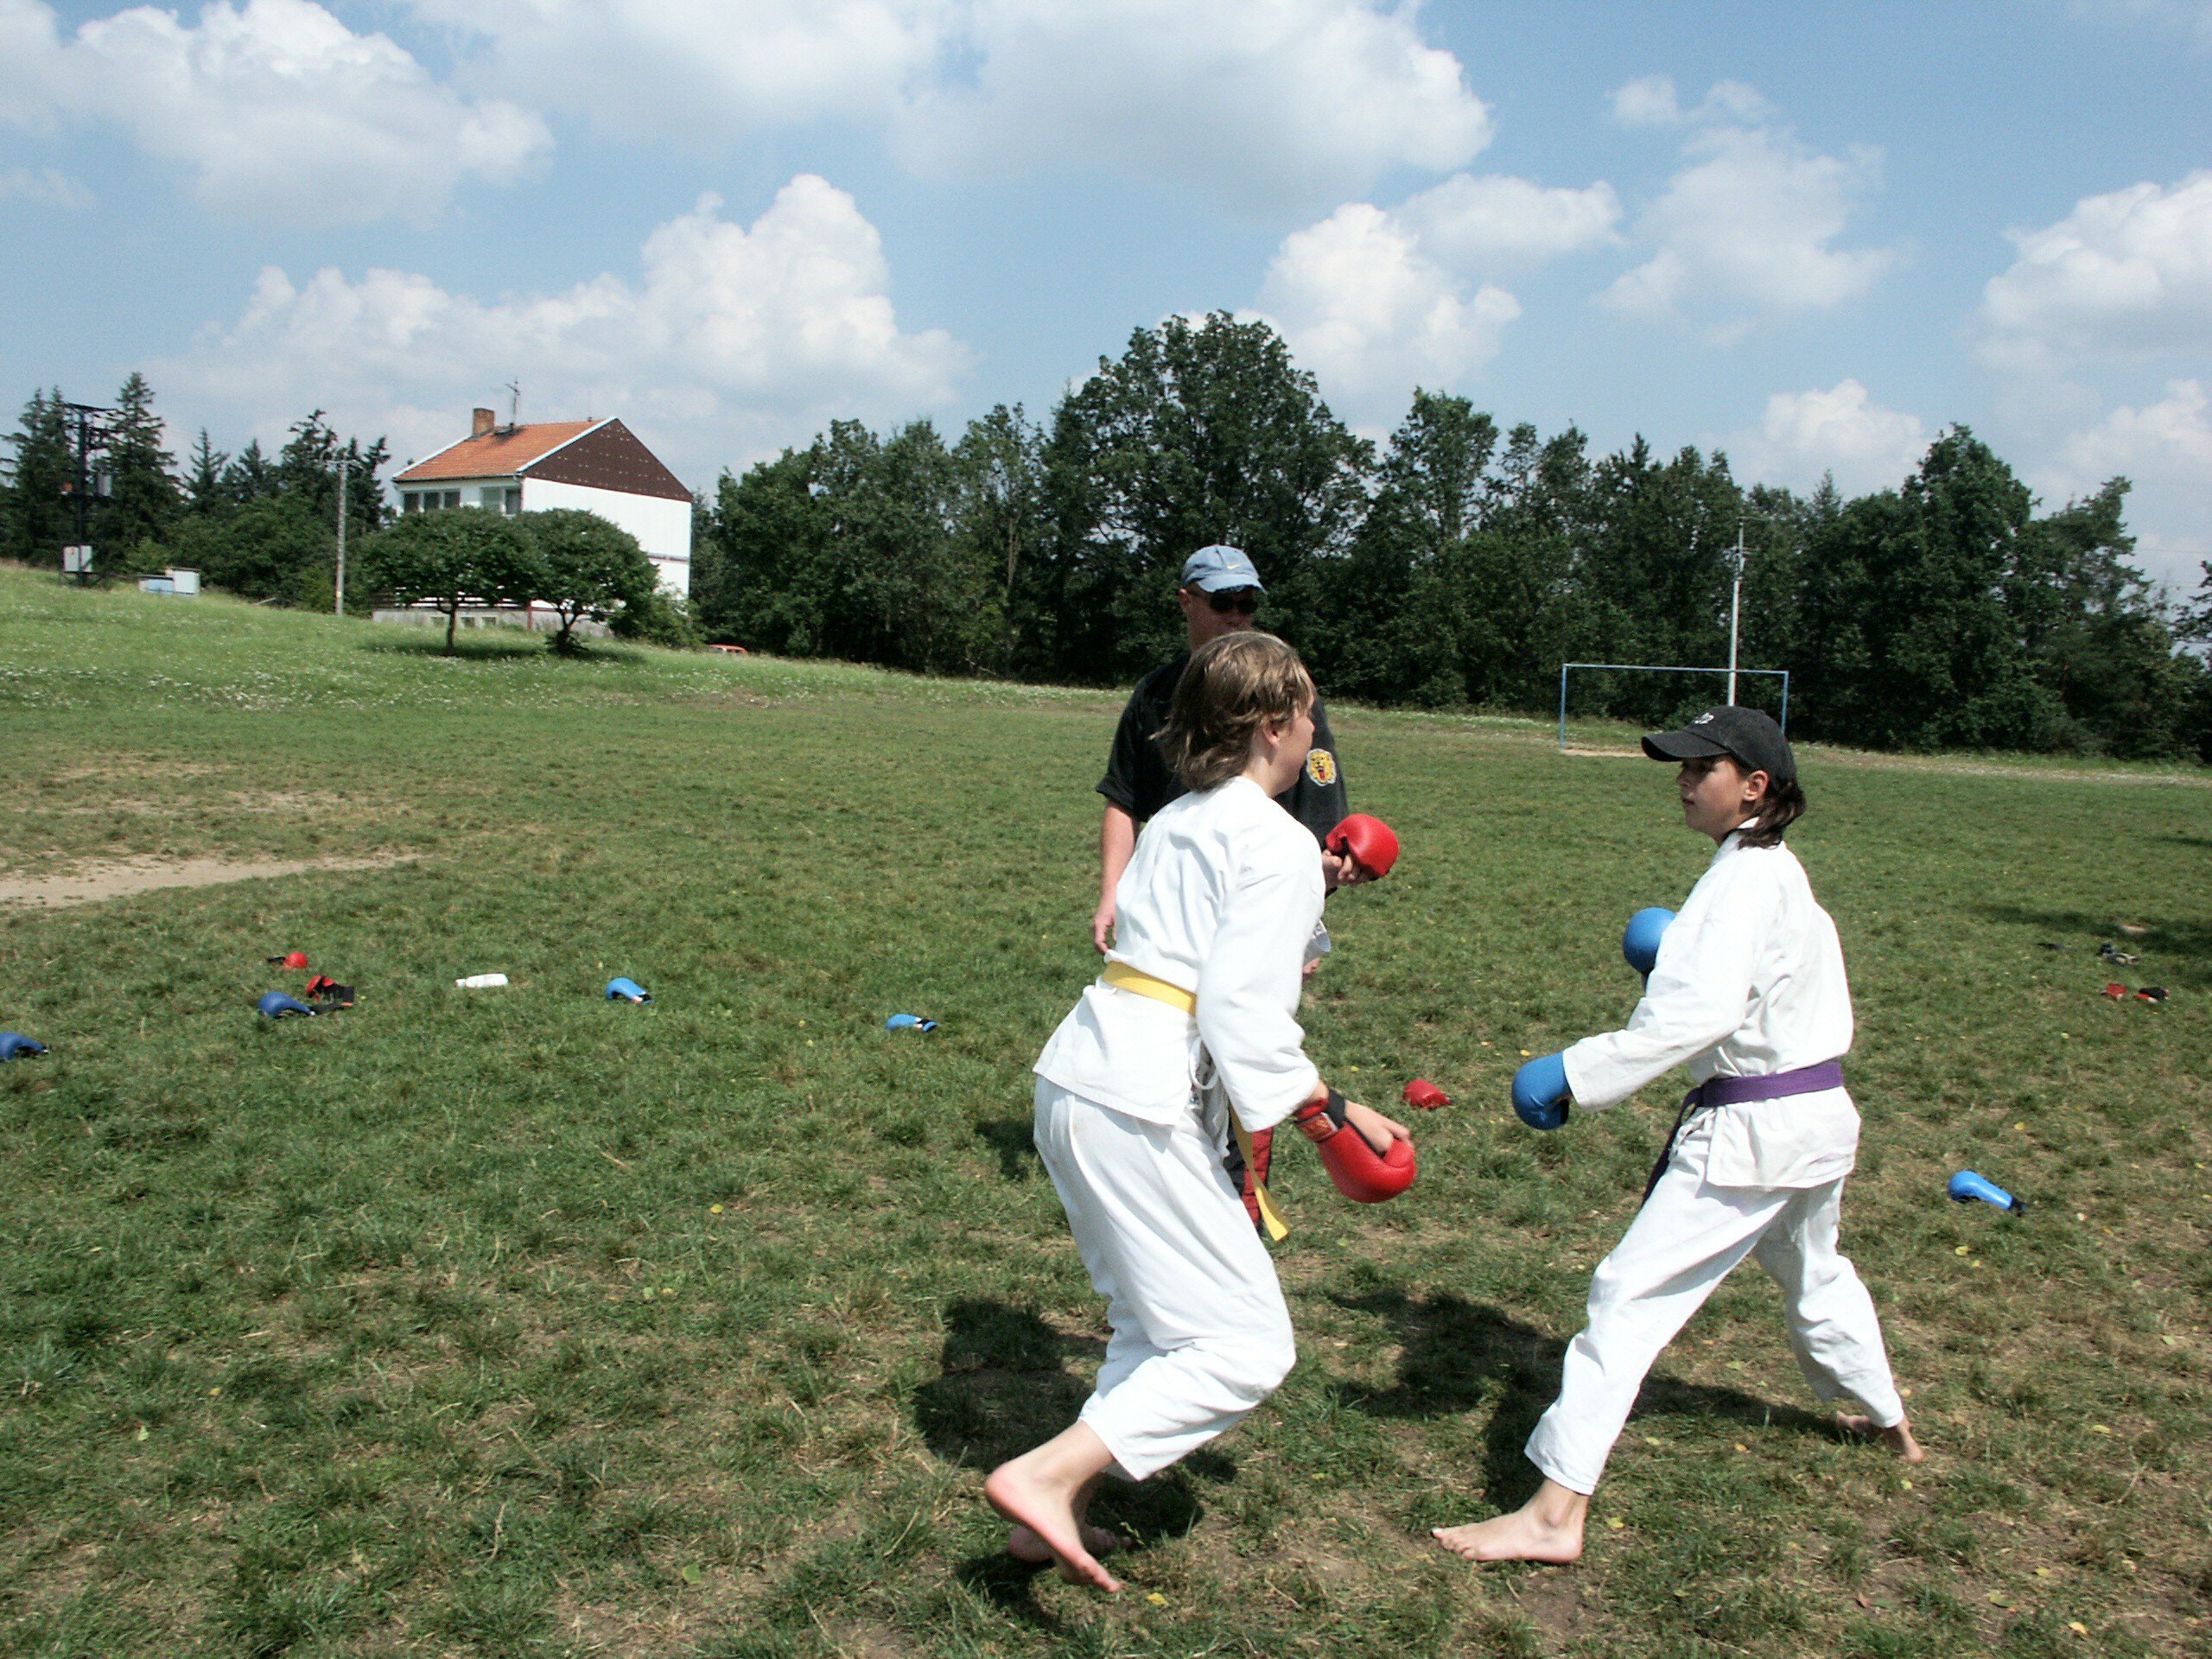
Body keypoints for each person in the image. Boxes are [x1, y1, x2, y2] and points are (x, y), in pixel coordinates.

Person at [1435, 706, 1921, 1567]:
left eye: (1703, 769)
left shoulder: (1742, 883)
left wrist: (1571, 1072)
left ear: (1755, 787)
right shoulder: (1778, 872)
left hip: (1754, 1133)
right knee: (1814, 1269)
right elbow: (1768, 993)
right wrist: (1677, 960)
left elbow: (1695, 1016)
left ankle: (1553, 1516)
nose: (1685, 782)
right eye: (1683, 768)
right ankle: (1889, 1421)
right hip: (1815, 1120)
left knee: (1629, 1297)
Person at [989, 631, 1413, 1593]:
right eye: (1308, 717)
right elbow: (1239, 1011)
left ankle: (1055, 1517)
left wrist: (1308, 890)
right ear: (1271, 726)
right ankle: (1043, 1477)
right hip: (1142, 1093)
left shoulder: (1179, 817)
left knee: (1152, 1324)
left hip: (1080, 1076)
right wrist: (1329, 1111)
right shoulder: (1275, 839)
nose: (1315, 734)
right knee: (1245, 1346)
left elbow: (1198, 944)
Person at [1092, 544, 1354, 956]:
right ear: (1186, 601)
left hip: (1253, 904)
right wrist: (1113, 891)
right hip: (1169, 899)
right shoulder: (1155, 693)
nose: (1236, 615)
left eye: (1246, 604)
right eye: (1222, 602)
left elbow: (1319, 811)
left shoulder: (1285, 694)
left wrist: (1301, 922)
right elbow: (1124, 799)